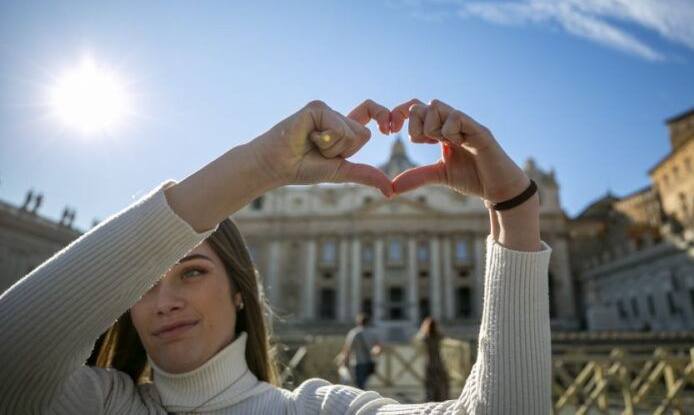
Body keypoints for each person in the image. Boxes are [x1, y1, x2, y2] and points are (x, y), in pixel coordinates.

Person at [0, 98, 552, 414]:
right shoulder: (97, 405)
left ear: (242, 289)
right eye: (142, 282)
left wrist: (514, 210)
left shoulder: (317, 410)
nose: (164, 300)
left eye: (192, 272)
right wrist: (261, 166)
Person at [341, 313, 383, 389]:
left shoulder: (354, 333)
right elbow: (378, 347)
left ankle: (361, 397)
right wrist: (375, 353)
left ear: (358, 322)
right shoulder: (372, 333)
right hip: (369, 361)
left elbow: (348, 348)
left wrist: (345, 359)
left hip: (357, 362)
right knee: (364, 383)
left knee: (359, 384)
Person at [416, 316, 450, 402]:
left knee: (430, 382)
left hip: (429, 361)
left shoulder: (425, 338)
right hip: (438, 361)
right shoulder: (438, 336)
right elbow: (443, 334)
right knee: (441, 381)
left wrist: (424, 327)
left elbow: (418, 337)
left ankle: (430, 398)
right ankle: (441, 397)